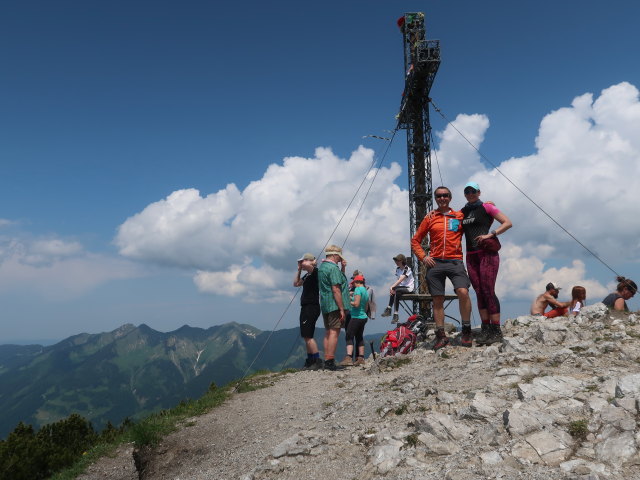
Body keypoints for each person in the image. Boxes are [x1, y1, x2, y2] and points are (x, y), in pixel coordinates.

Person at [410, 186, 473, 349]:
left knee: (463, 292)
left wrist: (487, 204)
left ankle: (466, 330)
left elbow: (477, 213)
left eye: (445, 195)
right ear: (435, 199)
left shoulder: (459, 216)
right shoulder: (430, 217)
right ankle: (441, 335)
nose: (442, 198)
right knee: (437, 299)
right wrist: (423, 257)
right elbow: (415, 240)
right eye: (439, 196)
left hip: (455, 261)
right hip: (435, 262)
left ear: (450, 197)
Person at [460, 182, 512, 345]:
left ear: (479, 192)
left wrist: (491, 234)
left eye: (473, 191)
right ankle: (486, 329)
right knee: (479, 291)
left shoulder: (487, 208)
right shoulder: (463, 211)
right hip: (471, 255)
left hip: (487, 254)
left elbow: (507, 222)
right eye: (467, 191)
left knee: (488, 290)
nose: (470, 194)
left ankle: (496, 331)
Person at [318, 245, 349, 371]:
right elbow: (336, 289)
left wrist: (343, 268)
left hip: (325, 303)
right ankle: (330, 361)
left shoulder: (322, 267)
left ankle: (327, 359)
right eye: (339, 257)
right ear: (335, 255)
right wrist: (341, 308)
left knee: (328, 332)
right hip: (335, 304)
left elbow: (337, 281)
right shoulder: (333, 268)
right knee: (334, 332)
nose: (339, 260)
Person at [293, 253, 323, 370]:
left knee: (309, 336)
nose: (301, 263)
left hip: (311, 306)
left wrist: (309, 263)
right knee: (306, 335)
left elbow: (310, 266)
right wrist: (299, 270)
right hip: (306, 306)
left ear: (309, 261)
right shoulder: (307, 276)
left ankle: (317, 360)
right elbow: (296, 284)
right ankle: (311, 360)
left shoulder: (315, 272)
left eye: (303, 261)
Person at [340, 275, 369, 367]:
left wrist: (347, 301)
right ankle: (361, 358)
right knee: (359, 336)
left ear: (356, 282)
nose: (354, 284)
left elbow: (356, 304)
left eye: (354, 283)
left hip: (356, 316)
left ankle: (348, 357)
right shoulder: (365, 290)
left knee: (349, 335)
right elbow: (366, 305)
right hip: (363, 316)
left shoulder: (358, 290)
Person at [380, 254, 415, 324]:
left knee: (395, 289)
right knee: (396, 290)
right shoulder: (398, 269)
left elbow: (401, 280)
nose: (396, 262)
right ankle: (393, 312)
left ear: (401, 261)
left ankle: (391, 311)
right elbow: (399, 281)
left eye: (397, 260)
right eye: (395, 260)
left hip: (409, 288)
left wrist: (392, 287)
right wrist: (393, 288)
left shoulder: (407, 268)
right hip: (401, 288)